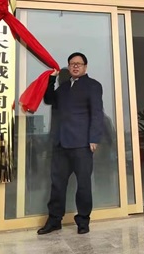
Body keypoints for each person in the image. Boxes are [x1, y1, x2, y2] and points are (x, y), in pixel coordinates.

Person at [37, 52, 105, 235]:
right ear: (68, 67)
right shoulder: (63, 88)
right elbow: (48, 99)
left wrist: (94, 138)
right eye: (72, 64)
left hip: (82, 144)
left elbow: (97, 113)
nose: (75, 66)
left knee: (83, 185)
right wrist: (51, 80)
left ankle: (83, 221)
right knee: (57, 185)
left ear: (85, 67)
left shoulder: (93, 86)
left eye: (78, 64)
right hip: (61, 144)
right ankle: (54, 220)